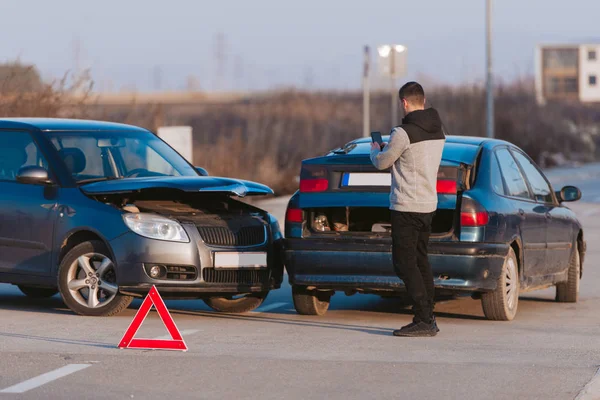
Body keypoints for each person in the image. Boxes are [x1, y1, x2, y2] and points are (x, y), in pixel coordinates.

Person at [370, 81, 445, 337]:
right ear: (423, 100)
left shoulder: (403, 133)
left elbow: (382, 162)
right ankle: (429, 317)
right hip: (428, 205)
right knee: (421, 260)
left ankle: (423, 318)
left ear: (404, 102)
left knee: (404, 263)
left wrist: (374, 150)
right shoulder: (438, 130)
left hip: (406, 205)